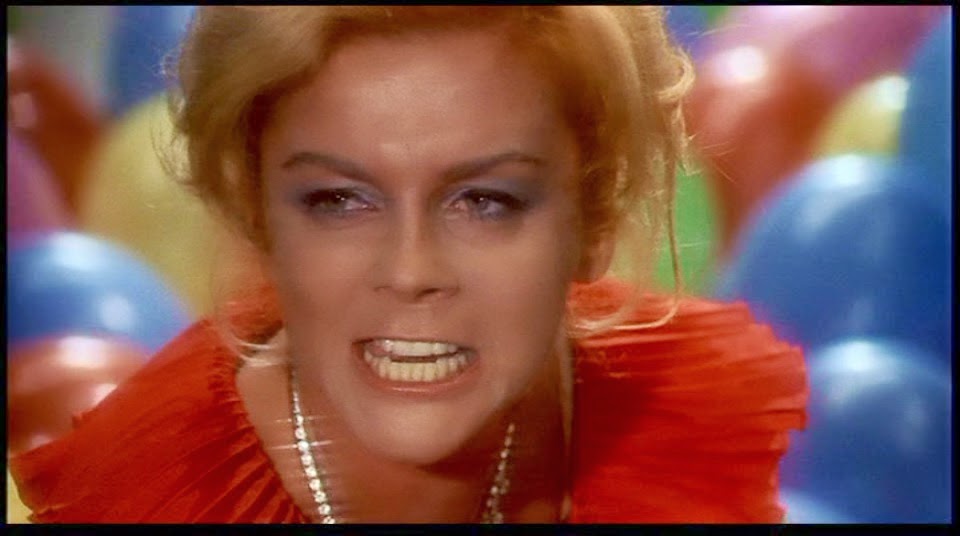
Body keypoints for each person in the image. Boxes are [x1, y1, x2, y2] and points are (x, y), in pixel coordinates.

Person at [9, 6, 807, 523]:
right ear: (256, 214)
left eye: (485, 201)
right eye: (339, 201)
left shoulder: (684, 420)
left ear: (593, 217)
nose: (411, 269)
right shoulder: (141, 496)